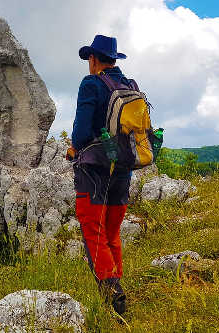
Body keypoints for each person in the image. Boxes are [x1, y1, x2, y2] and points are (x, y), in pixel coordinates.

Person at [69, 35, 136, 316]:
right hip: (123, 169)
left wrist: (75, 148)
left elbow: (81, 132)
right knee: (111, 234)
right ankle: (118, 290)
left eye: (89, 60)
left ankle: (113, 296)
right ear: (114, 59)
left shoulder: (92, 83)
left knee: (93, 232)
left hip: (94, 172)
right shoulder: (130, 86)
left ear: (94, 59)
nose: (89, 64)